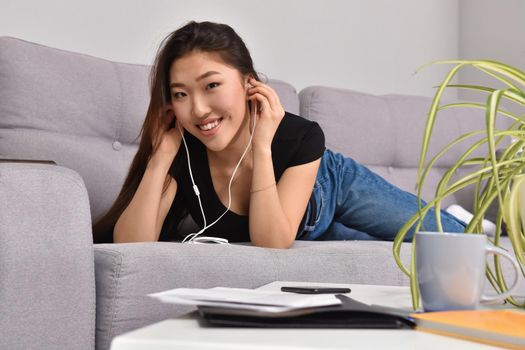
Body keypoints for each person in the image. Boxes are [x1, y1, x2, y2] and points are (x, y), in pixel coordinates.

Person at [93, 21, 465, 247]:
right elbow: (133, 244)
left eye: (211, 86)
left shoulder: (299, 136)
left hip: (332, 185)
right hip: (298, 226)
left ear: (248, 82)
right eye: (180, 94)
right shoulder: (183, 149)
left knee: (446, 235)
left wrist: (262, 147)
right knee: (383, 244)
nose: (199, 110)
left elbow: (271, 239)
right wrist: (160, 157)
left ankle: (462, 217)